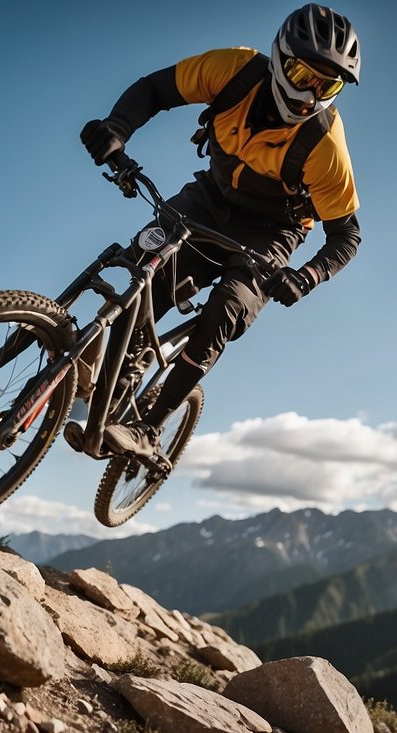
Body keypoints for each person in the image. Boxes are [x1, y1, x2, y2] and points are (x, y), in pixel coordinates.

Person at [78, 4, 362, 463]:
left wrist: (305, 277)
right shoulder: (233, 70)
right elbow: (155, 88)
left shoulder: (325, 145)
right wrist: (117, 128)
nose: (310, 94)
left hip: (271, 234)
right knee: (141, 278)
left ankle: (150, 428)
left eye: (325, 85)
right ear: (278, 57)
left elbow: (346, 236)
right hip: (209, 198)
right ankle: (120, 370)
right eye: (301, 73)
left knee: (226, 308)